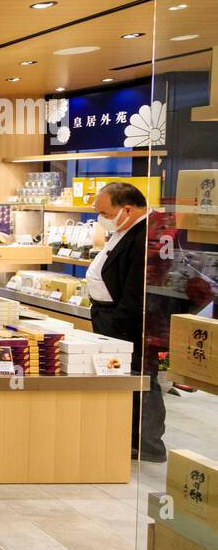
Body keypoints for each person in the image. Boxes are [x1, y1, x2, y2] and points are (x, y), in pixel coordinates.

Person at [88, 181, 164, 461]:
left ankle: (147, 443)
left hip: (128, 321)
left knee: (141, 379)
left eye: (105, 214)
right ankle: (125, 434)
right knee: (121, 377)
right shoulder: (126, 229)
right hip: (110, 316)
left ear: (127, 209)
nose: (101, 219)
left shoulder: (147, 236)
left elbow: (137, 289)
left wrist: (119, 323)